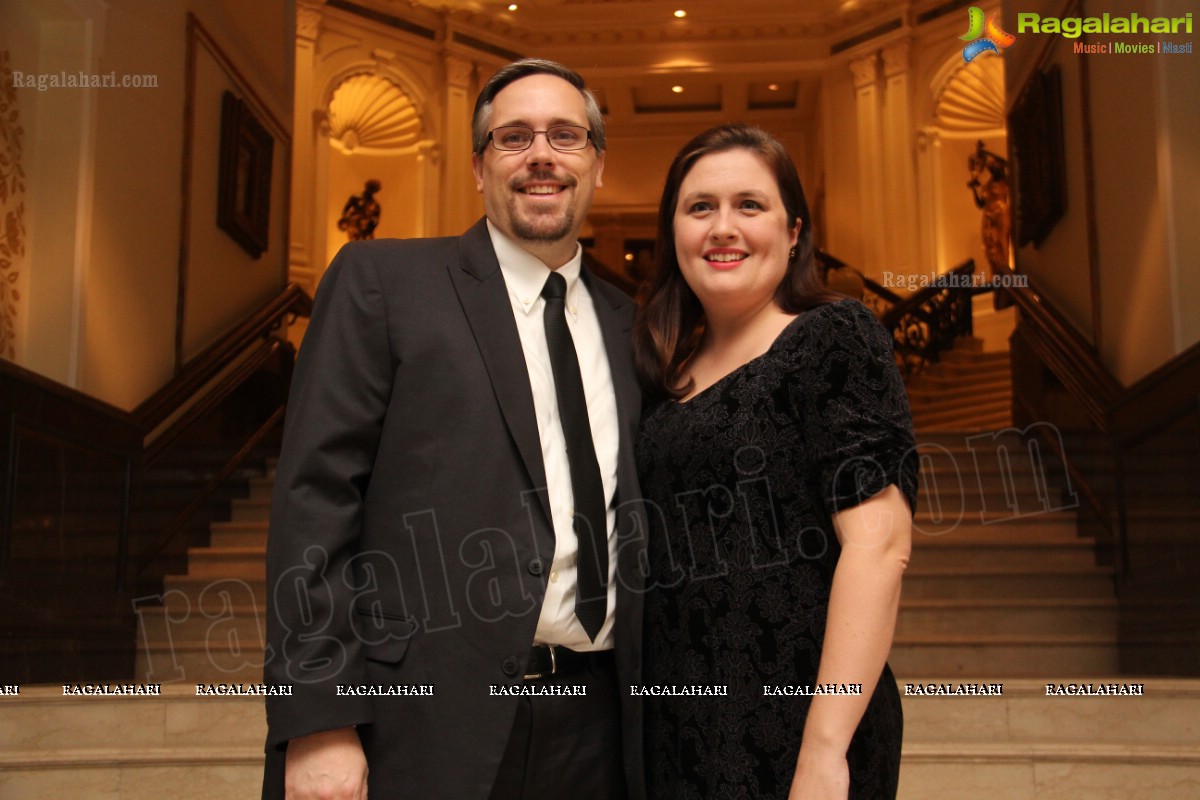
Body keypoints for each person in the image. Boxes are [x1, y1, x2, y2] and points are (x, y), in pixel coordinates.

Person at [262, 59, 646, 800]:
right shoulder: (384, 283)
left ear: (597, 163)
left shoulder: (635, 325)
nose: (542, 154)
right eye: (514, 137)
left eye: (566, 136)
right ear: (477, 167)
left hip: (600, 728)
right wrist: (318, 718)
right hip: (423, 722)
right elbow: (315, 501)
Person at [633, 124, 918, 800]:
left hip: (801, 724)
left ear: (794, 232)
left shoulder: (832, 338)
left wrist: (825, 750)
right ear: (673, 233)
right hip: (680, 724)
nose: (722, 227)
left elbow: (880, 549)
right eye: (700, 207)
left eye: (749, 206)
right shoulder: (662, 371)